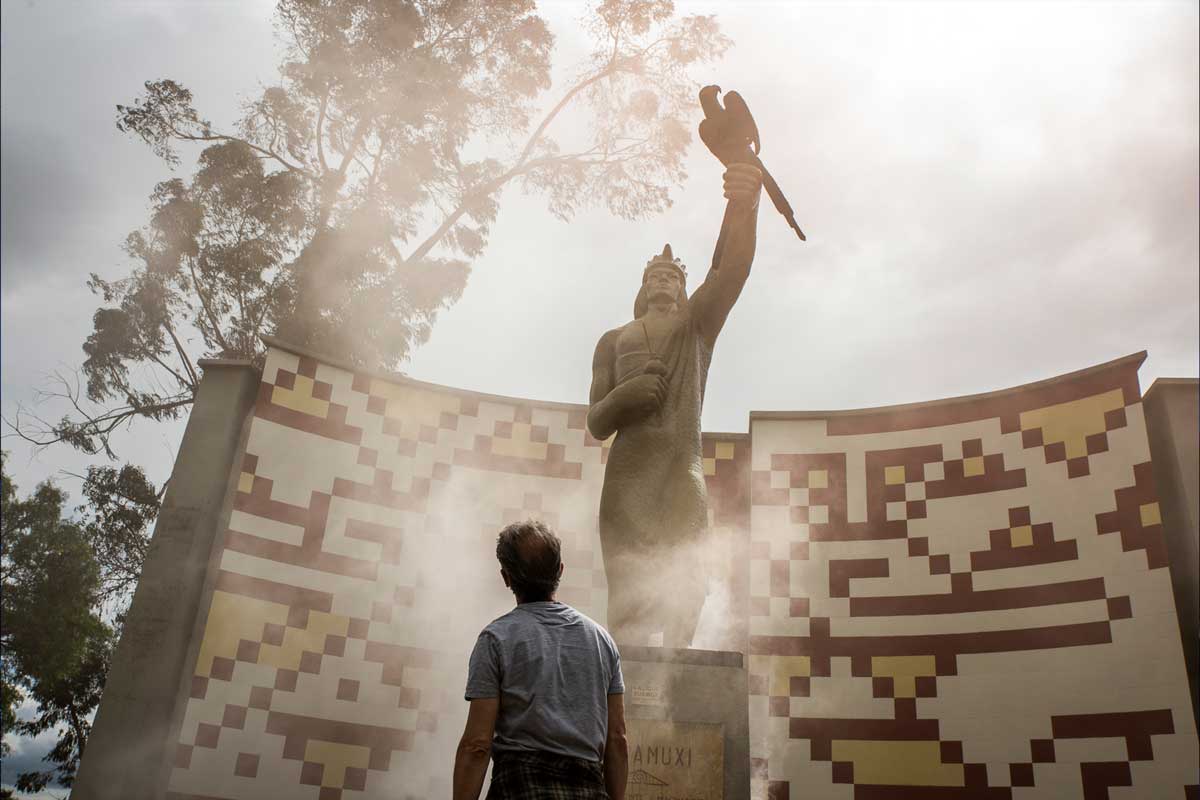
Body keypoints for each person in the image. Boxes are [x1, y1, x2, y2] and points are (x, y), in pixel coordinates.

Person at [587, 163, 763, 647]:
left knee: (688, 564)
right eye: (655, 275)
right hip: (628, 474)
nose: (663, 280)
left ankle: (678, 668)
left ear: (682, 288)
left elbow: (732, 270)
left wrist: (745, 203)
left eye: (671, 276)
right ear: (643, 287)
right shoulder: (612, 340)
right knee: (629, 584)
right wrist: (627, 394)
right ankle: (624, 679)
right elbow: (597, 422)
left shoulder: (696, 327)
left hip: (680, 466)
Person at [453, 520, 628, 800]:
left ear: (506, 577)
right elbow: (617, 738)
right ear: (560, 570)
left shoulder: (496, 639)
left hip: (519, 790)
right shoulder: (602, 641)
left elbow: (477, 745)